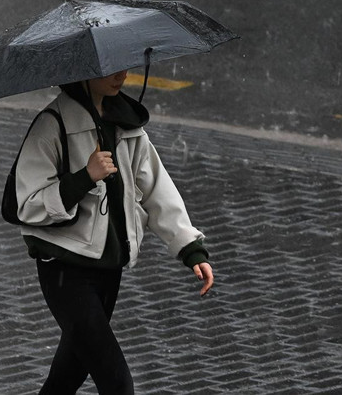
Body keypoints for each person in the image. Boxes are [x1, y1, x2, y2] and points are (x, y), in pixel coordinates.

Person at [14, 69, 214, 394]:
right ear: (82, 71)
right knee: (117, 382)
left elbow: (155, 188)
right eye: (108, 68)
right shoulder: (53, 124)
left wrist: (189, 247)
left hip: (109, 270)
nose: (121, 74)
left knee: (67, 376)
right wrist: (84, 177)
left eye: (124, 64)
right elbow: (28, 204)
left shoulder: (127, 123)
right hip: (65, 270)